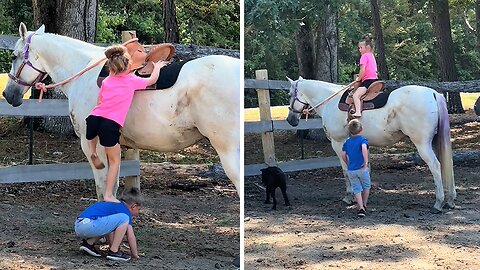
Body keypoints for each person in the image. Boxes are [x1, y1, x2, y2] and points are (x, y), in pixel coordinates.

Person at [86, 45, 168, 202]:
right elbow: (151, 80)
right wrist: (157, 67)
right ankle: (108, 195)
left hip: (94, 117)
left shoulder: (107, 81)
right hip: (110, 124)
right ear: (129, 66)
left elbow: (100, 101)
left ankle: (93, 153)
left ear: (111, 67)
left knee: (91, 134)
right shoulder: (131, 80)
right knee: (114, 161)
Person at [74, 188, 143, 261]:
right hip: (89, 224)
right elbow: (130, 236)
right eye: (139, 209)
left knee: (108, 224)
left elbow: (108, 230)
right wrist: (135, 255)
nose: (138, 212)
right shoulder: (125, 211)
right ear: (134, 206)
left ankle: (89, 243)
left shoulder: (114, 205)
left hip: (79, 225)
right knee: (124, 218)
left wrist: (111, 246)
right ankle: (114, 251)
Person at [341, 119, 370, 217]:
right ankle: (365, 204)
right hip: (362, 169)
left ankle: (360, 207)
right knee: (366, 187)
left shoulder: (346, 142)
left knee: (357, 189)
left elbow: (343, 154)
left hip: (351, 170)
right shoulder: (363, 140)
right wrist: (365, 161)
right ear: (361, 129)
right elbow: (364, 148)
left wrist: (347, 163)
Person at [352, 34, 378, 117]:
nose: (359, 50)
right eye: (359, 48)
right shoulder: (371, 56)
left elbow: (362, 70)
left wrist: (358, 79)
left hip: (368, 81)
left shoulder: (364, 56)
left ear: (367, 47)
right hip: (375, 80)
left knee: (356, 95)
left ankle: (358, 112)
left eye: (361, 48)